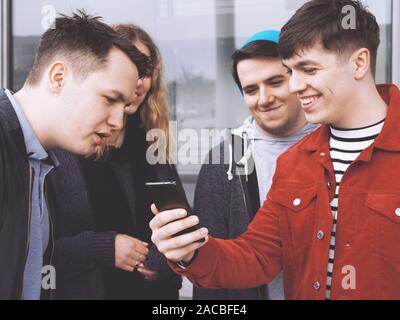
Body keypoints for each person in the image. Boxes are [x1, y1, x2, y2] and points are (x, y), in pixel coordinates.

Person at [149, 0, 400, 300]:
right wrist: (190, 254)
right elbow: (255, 256)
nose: (295, 86)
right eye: (291, 72)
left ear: (359, 63)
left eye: (308, 69)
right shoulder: (295, 162)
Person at [0, 11, 150, 300]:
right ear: (59, 77)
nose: (119, 122)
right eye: (110, 99)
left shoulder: (38, 161)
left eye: (125, 106)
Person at [51, 23, 182, 300]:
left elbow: (180, 223)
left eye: (143, 71)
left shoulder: (153, 145)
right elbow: (29, 252)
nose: (135, 80)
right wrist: (100, 248)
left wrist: (166, 259)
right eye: (126, 67)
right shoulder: (60, 147)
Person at [192, 30, 318, 300]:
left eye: (275, 82)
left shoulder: (333, 143)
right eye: (251, 89)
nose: (264, 98)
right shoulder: (229, 156)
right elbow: (208, 263)